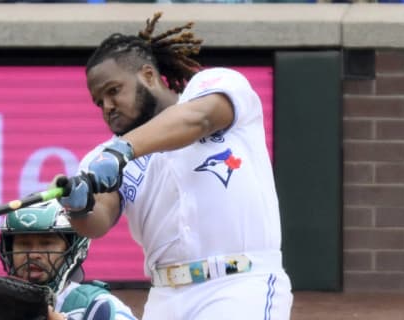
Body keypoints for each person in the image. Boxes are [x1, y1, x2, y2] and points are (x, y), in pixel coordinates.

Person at [55, 12, 293, 320]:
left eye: (113, 91)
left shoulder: (214, 85)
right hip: (166, 297)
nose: (108, 106)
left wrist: (122, 150)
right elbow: (98, 220)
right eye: (99, 101)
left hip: (240, 284)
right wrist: (79, 205)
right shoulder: (104, 157)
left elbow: (199, 119)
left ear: (149, 76)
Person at [0, 199, 138, 320]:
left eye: (46, 243)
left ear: (70, 250)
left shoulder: (97, 307)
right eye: (24, 244)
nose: (34, 254)